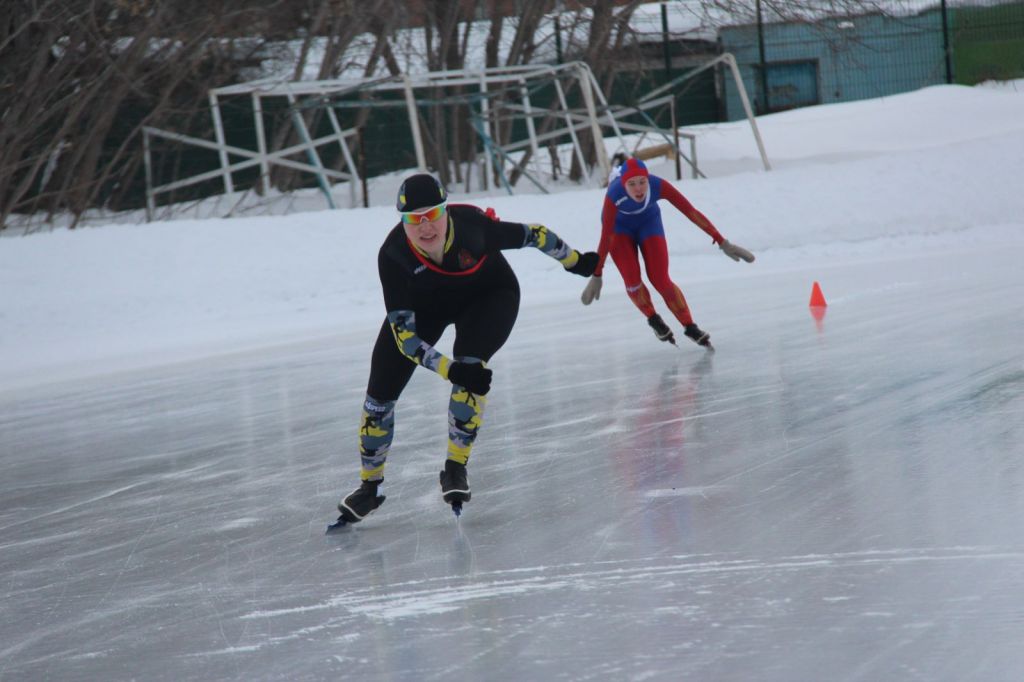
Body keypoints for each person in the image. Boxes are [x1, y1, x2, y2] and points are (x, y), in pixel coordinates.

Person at [332, 173, 598, 528]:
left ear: (446, 212)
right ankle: (369, 487)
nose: (426, 228)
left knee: (472, 366)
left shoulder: (474, 228)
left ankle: (455, 468)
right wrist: (449, 370)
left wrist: (576, 262)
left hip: (489, 297)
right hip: (424, 310)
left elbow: (535, 234)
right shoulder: (392, 255)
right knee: (379, 395)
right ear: (403, 222)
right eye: (414, 220)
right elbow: (406, 341)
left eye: (433, 215)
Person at [580, 157, 755, 348]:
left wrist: (722, 242)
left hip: (649, 224)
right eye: (632, 184)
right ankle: (654, 320)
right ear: (623, 184)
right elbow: (606, 237)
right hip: (619, 231)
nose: (638, 189)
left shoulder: (657, 185)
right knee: (632, 280)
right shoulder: (614, 194)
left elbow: (691, 212)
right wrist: (597, 274)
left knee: (660, 279)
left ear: (648, 179)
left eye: (642, 182)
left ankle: (690, 326)